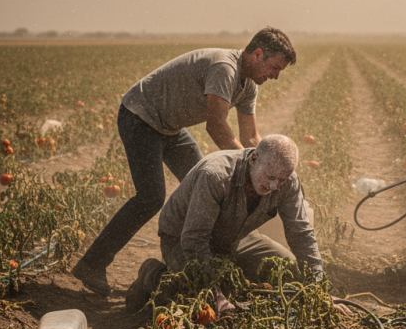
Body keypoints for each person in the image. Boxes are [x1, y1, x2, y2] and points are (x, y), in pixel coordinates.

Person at [72, 27, 297, 295]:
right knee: (151, 196)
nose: (275, 75)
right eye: (274, 67)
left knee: (207, 185)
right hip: (140, 116)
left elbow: (250, 138)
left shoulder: (248, 85)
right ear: (257, 54)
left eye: (280, 70)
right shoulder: (225, 68)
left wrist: (269, 164)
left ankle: (208, 254)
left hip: (171, 128)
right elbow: (216, 126)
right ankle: (92, 264)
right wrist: (249, 168)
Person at [124, 134, 323, 314]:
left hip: (235, 237)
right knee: (196, 302)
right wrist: (216, 294)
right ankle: (153, 274)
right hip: (182, 237)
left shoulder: (288, 182)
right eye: (270, 177)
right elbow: (195, 239)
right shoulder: (216, 175)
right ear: (253, 159)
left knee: (287, 270)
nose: (273, 186)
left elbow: (301, 233)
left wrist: (318, 289)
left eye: (281, 180)